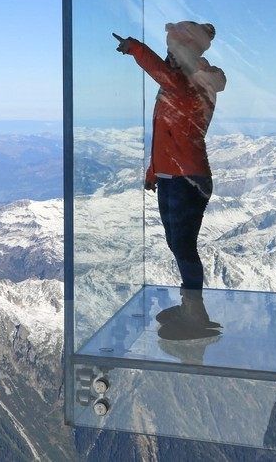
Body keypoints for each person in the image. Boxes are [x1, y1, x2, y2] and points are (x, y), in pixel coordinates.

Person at [112, 22, 226, 340]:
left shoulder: (192, 83)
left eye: (173, 51)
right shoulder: (180, 83)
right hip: (172, 176)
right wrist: (154, 173)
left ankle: (195, 313)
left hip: (186, 178)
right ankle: (190, 307)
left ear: (186, 53)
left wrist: (136, 47)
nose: (168, 57)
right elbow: (166, 136)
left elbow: (165, 76)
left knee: (184, 247)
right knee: (178, 245)